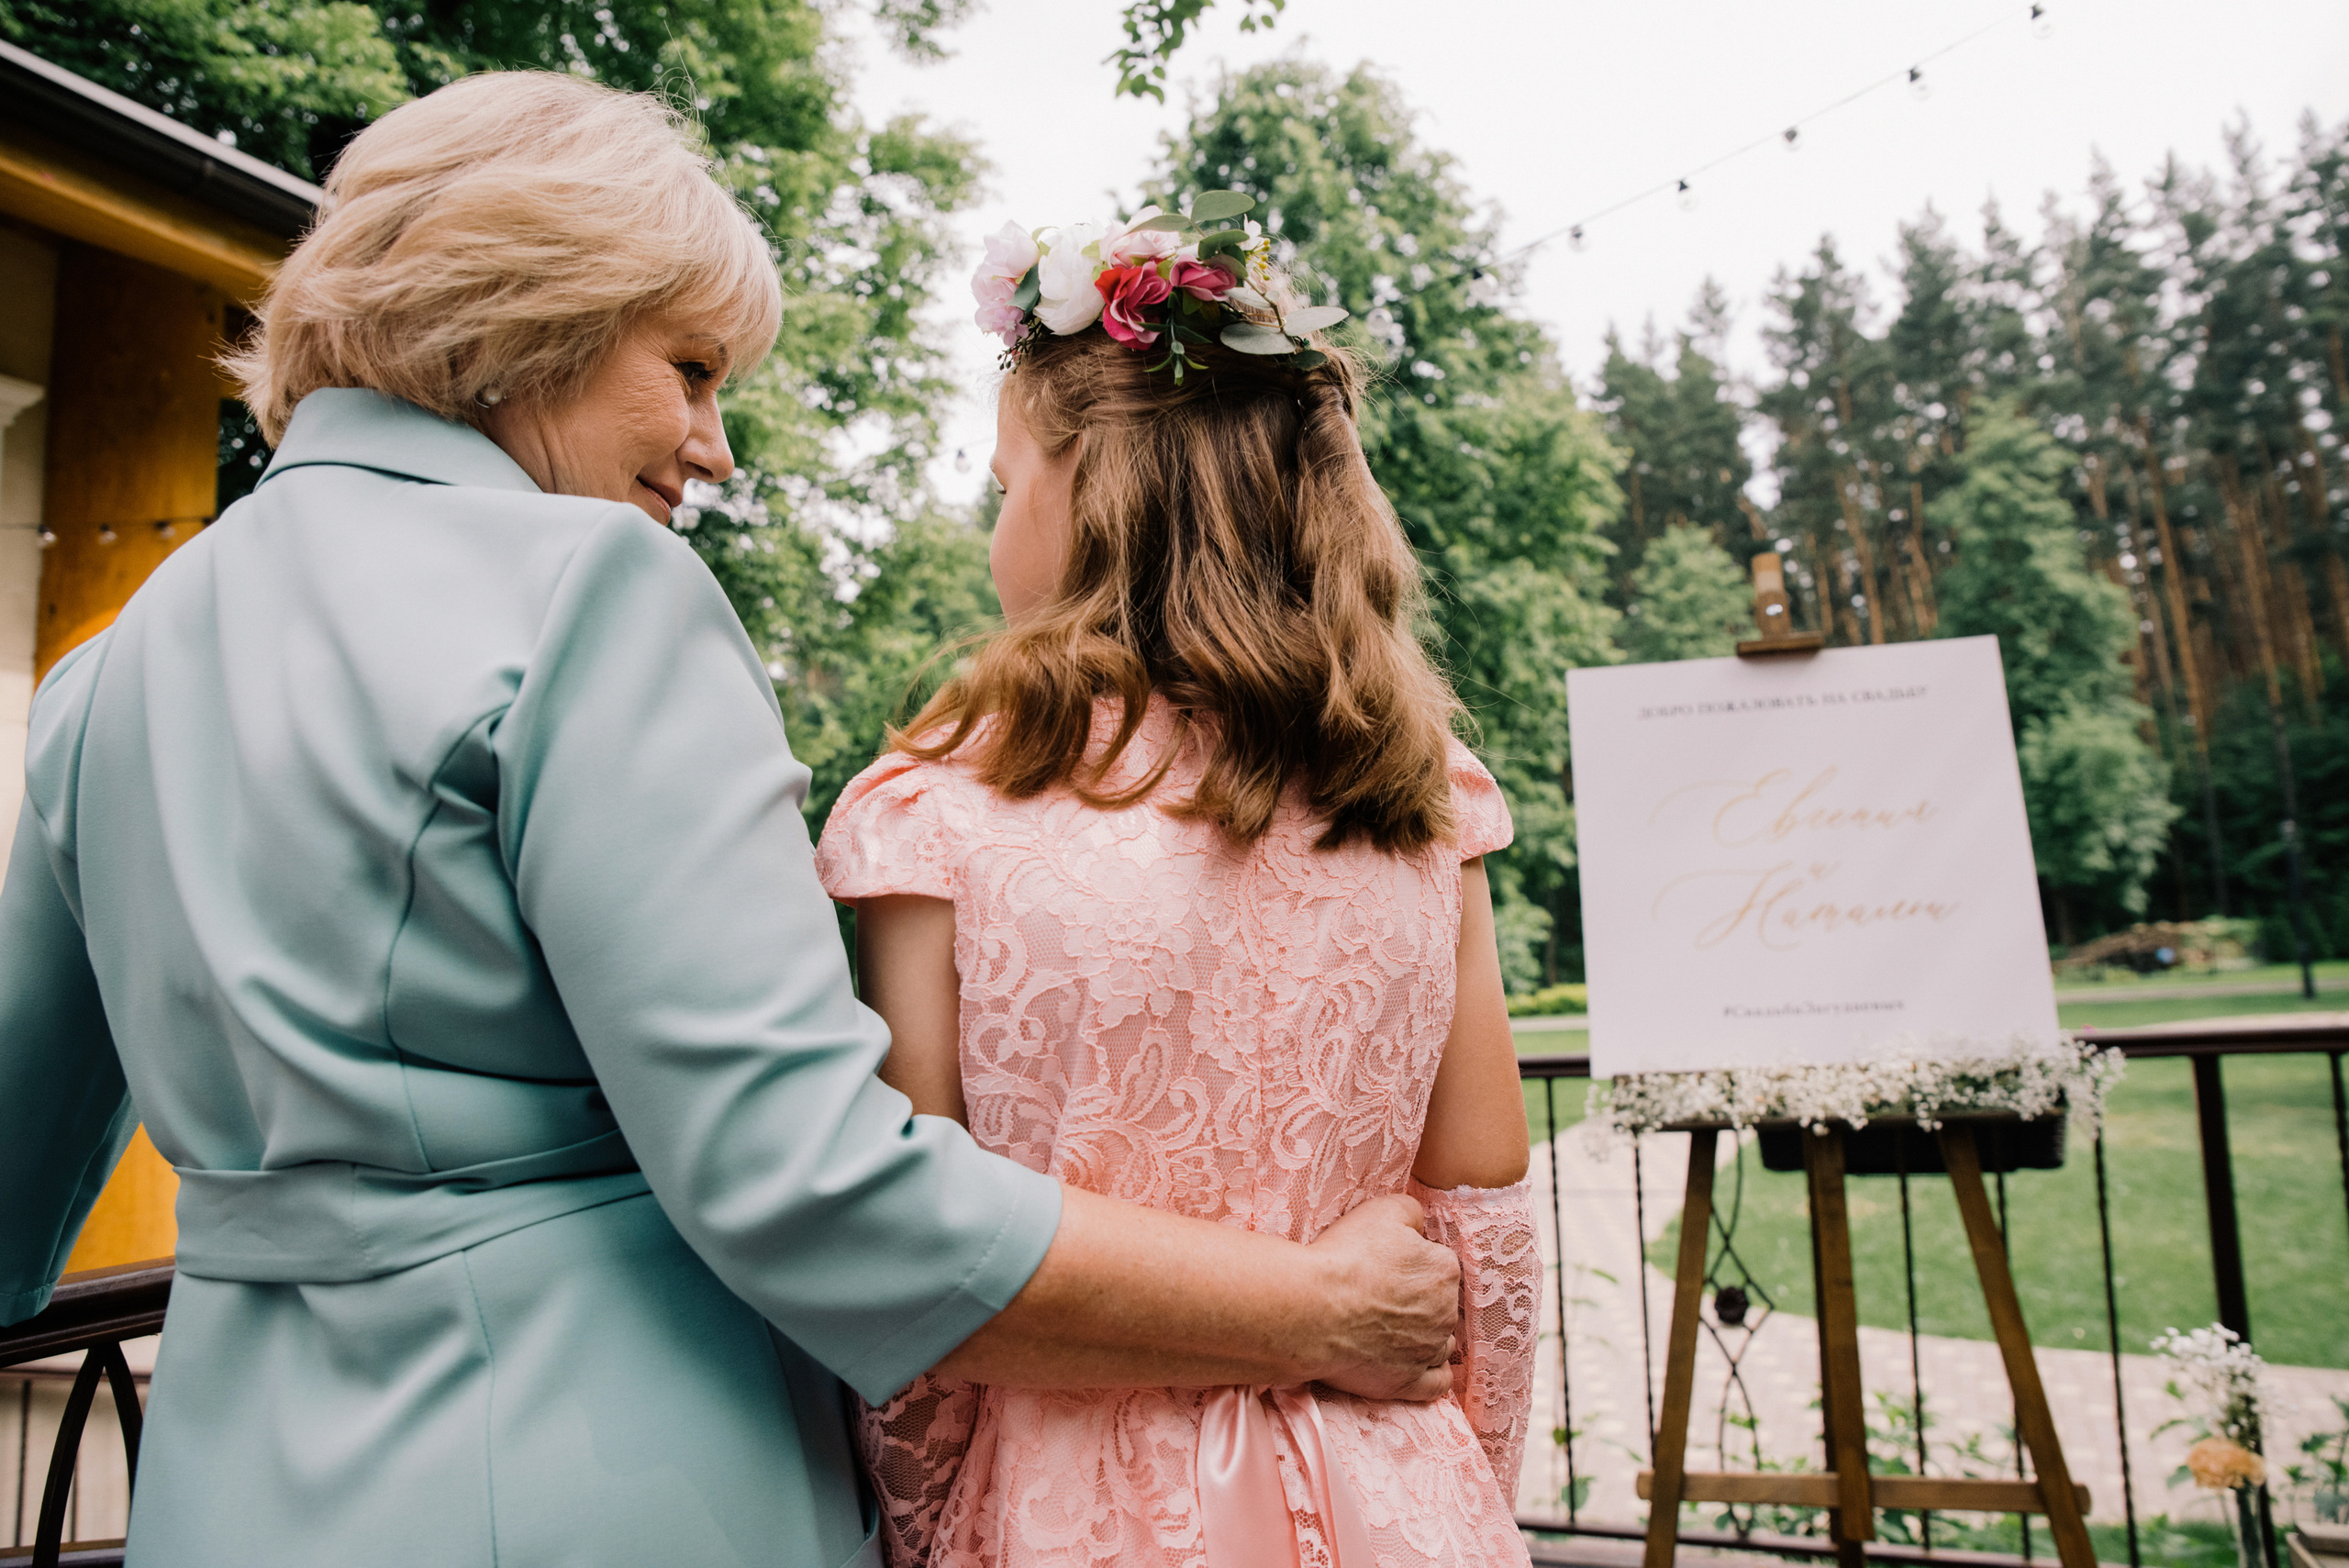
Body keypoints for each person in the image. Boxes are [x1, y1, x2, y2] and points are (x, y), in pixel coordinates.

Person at [0, 74, 1465, 1568]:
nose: (714, 446)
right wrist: (1320, 1308)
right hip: (600, 1492)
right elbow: (818, 1187)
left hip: (219, 1508)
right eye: (690, 369)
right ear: (528, 315)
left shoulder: (102, 677)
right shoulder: (593, 592)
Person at [814, 209, 1541, 1568]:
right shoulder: (1424, 794)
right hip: (1395, 1492)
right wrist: (1466, 1488)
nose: (995, 530)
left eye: (1004, 483)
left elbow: (918, 1296)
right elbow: (1484, 1239)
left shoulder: (931, 810)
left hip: (1063, 1512)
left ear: (1087, 491)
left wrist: (929, 1525)